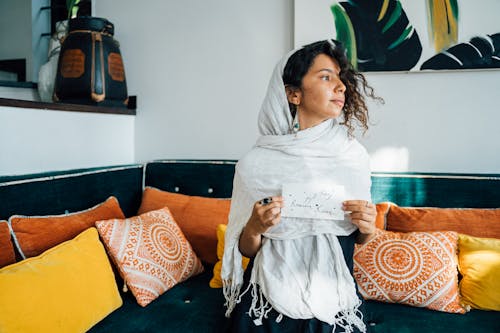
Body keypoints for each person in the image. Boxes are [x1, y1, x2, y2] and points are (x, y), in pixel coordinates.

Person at [222, 40, 383, 333]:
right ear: (293, 94)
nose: (341, 87)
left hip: (334, 301)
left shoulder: (353, 157)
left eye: (340, 78)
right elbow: (247, 250)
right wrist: (256, 228)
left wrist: (369, 227)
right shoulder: (255, 165)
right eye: (325, 77)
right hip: (264, 304)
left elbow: (356, 240)